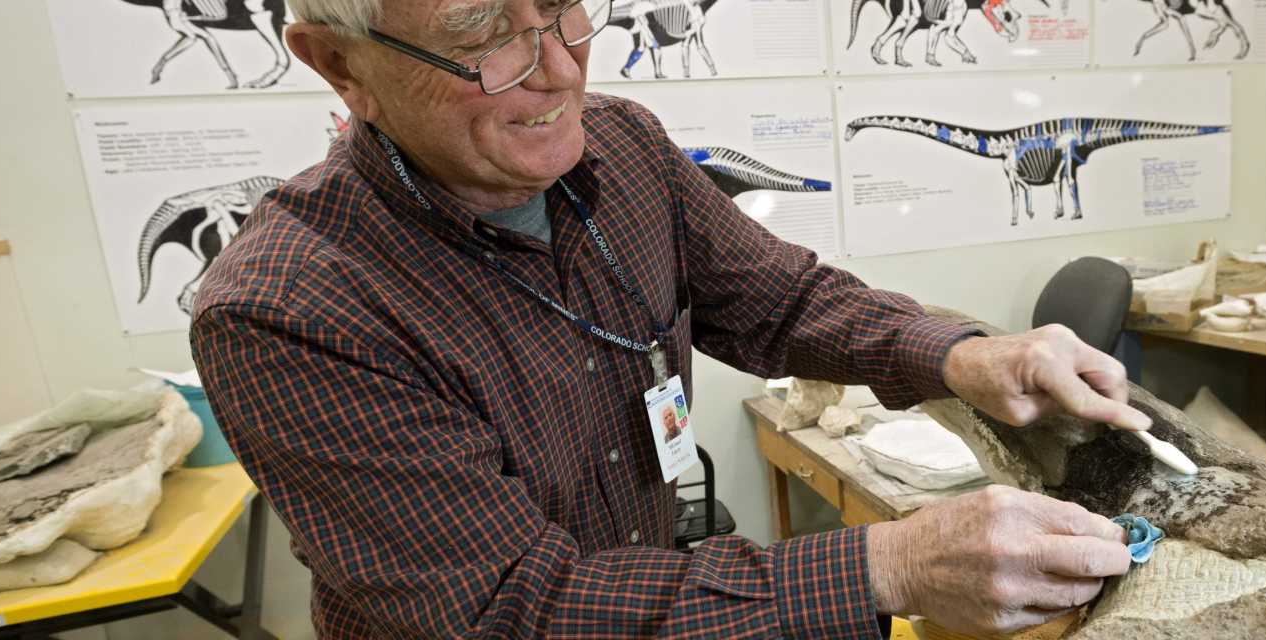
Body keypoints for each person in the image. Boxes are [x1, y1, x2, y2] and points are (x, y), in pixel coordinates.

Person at [189, 0, 1154, 637]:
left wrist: (965, 354)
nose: (558, 71)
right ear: (338, 66)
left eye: (562, 9)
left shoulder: (622, 145)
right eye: (483, 31)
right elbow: (508, 609)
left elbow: (781, 299)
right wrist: (890, 564)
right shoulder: (286, 313)